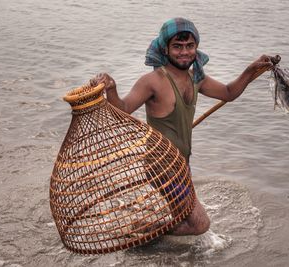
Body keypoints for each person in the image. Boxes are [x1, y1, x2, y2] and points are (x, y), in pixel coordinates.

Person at [90, 17, 273, 236]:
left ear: (196, 47)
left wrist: (252, 69)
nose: (184, 52)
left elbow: (228, 92)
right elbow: (123, 109)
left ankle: (143, 230)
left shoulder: (196, 77)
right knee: (200, 225)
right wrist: (111, 88)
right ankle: (143, 232)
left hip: (181, 162)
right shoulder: (153, 81)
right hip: (162, 165)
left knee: (185, 214)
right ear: (165, 50)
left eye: (189, 46)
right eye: (177, 47)